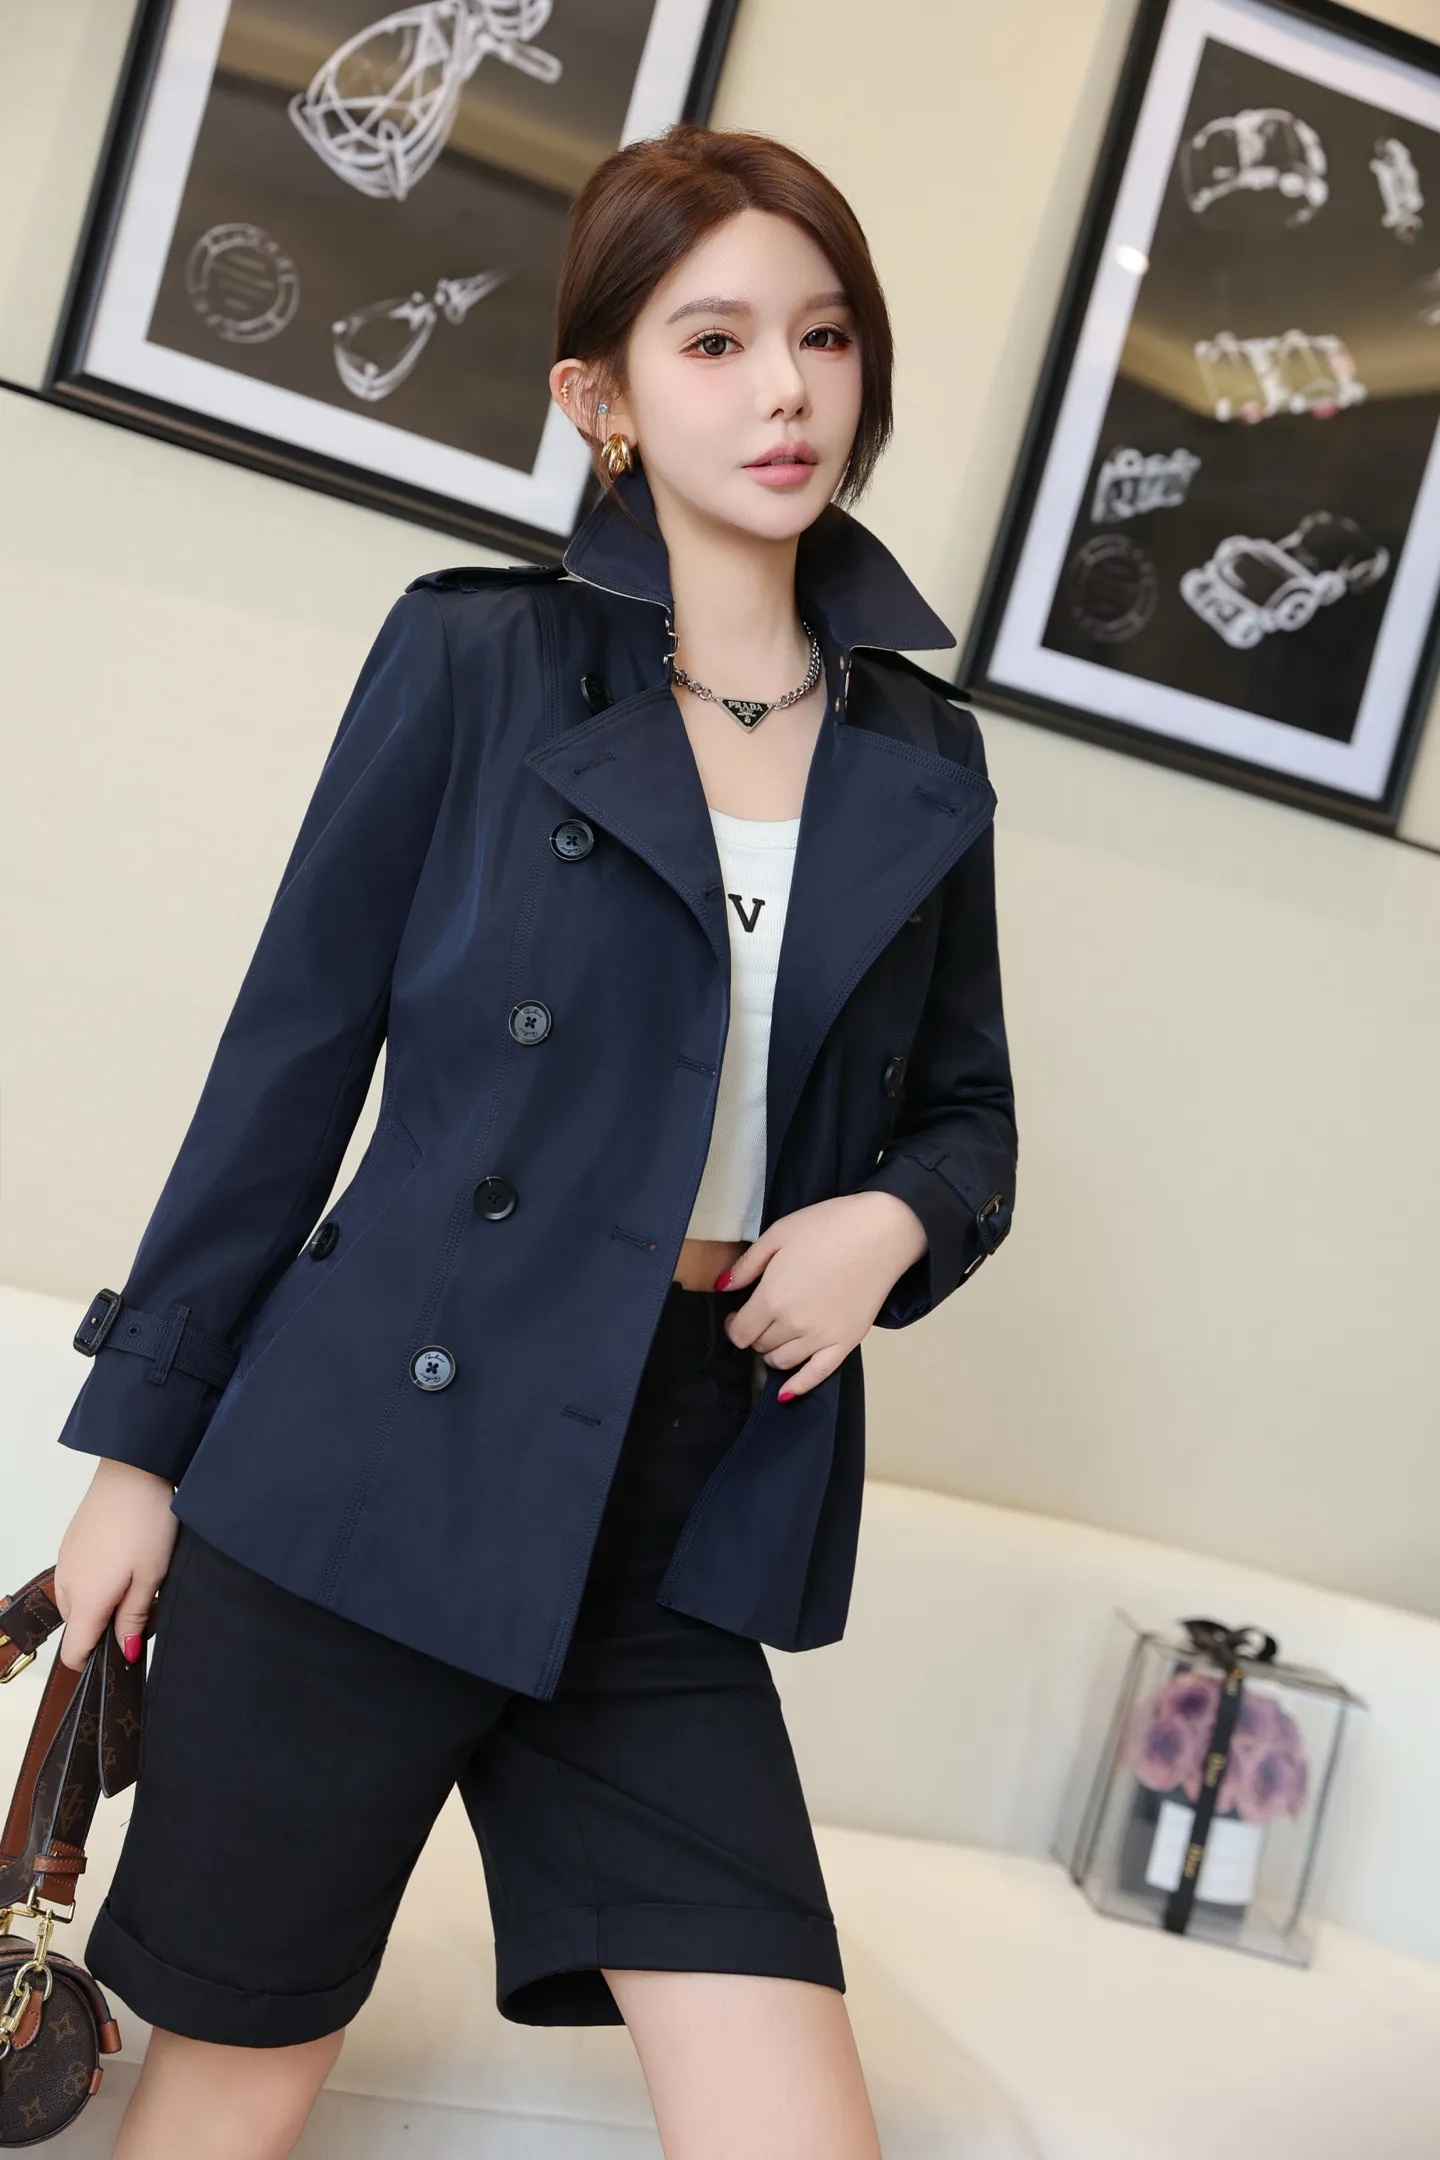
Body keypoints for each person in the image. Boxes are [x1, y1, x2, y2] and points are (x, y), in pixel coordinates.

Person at [48, 124, 1017, 2159]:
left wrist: (891, 1223)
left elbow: (966, 1114)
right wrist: (139, 1455)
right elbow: (287, 1065)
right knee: (231, 2095)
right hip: (370, 1478)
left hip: (677, 1507)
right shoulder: (475, 658)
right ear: (601, 396)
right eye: (716, 340)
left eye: (826, 334)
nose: (785, 389)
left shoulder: (923, 749)